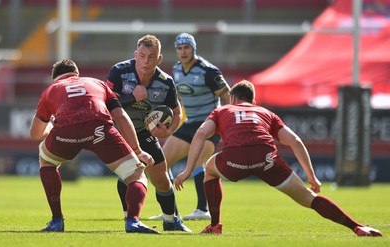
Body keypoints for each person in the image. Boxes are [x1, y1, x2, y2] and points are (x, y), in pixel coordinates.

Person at [174, 79, 383, 236]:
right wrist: (312, 177)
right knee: (309, 198)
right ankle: (356, 226)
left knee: (209, 169)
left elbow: (201, 134)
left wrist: (188, 170)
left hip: (234, 159)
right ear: (253, 101)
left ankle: (215, 225)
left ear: (233, 99)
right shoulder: (265, 112)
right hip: (267, 160)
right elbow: (295, 141)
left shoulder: (223, 110)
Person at [29, 59, 159, 234]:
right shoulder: (96, 83)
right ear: (77, 74)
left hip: (66, 131)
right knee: (136, 175)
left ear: (55, 79)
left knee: (46, 161)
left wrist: (52, 129)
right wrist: (138, 151)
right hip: (100, 129)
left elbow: (35, 134)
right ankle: (133, 221)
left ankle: (57, 220)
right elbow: (120, 116)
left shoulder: (50, 90)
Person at [105, 34, 191, 232]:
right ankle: (131, 220)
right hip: (117, 131)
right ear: (135, 55)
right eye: (142, 56)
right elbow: (105, 104)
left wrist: (167, 131)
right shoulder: (119, 72)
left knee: (161, 178)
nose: (146, 61)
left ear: (159, 59)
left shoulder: (166, 82)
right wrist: (130, 98)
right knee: (132, 174)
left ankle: (171, 221)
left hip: (144, 132)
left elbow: (177, 113)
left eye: (151, 57)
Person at [154, 33, 231, 221]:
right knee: (161, 163)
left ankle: (202, 210)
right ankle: (171, 213)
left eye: (186, 47)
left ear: (193, 48)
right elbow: (179, 97)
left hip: (209, 124)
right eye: (179, 48)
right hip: (189, 124)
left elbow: (227, 94)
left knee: (198, 162)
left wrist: (224, 122)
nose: (183, 51)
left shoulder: (208, 71)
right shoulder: (176, 69)